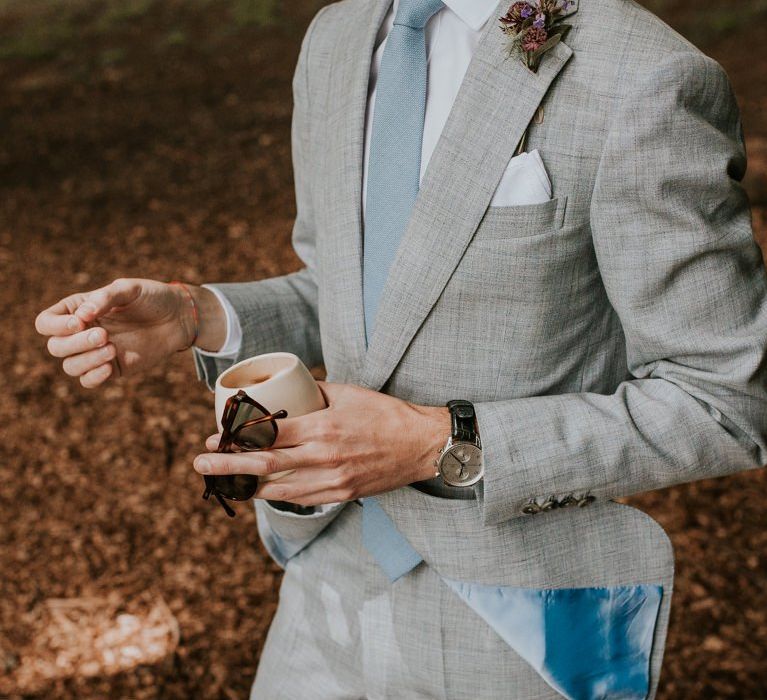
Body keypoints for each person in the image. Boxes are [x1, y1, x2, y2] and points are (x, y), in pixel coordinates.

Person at [35, 0, 767, 697]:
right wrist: (198, 313)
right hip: (323, 587)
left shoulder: (646, 74)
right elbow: (363, 291)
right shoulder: (337, 37)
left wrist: (436, 444)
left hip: (520, 617)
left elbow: (726, 399)